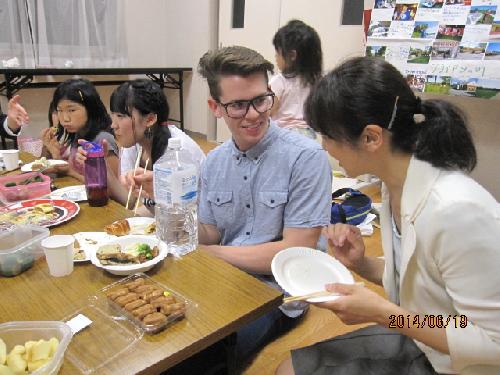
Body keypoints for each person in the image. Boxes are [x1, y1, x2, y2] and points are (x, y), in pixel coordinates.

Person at [276, 57, 500, 375]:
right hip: (421, 339)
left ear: (371, 137)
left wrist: (384, 315)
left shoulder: (457, 211)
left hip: (457, 364)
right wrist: (361, 263)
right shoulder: (394, 184)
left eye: (328, 136)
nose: (324, 147)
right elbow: (422, 283)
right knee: (289, 367)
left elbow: (492, 341)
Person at [197, 46, 332, 369]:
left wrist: (211, 254)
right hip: (221, 280)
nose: (255, 113)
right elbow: (211, 233)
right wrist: (170, 207)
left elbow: (296, 252)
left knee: (209, 357)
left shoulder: (305, 158)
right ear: (215, 107)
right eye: (238, 106)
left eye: (261, 99)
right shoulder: (213, 162)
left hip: (276, 296)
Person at [77, 79, 205, 209]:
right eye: (113, 115)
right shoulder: (134, 144)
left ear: (150, 119)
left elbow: (186, 213)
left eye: (121, 116)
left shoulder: (178, 151)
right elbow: (129, 201)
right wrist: (102, 164)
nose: (113, 125)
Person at [41, 78, 118, 181]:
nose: (65, 119)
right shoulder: (78, 134)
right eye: (60, 110)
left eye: (72, 110)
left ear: (90, 108)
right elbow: (71, 178)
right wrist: (56, 155)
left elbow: (114, 187)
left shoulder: (103, 139)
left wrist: (69, 171)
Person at [270, 19, 322, 140]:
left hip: (282, 136)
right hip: (308, 137)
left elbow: (268, 111)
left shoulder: (279, 81)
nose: (276, 57)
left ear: (292, 55)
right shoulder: (316, 82)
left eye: (278, 53)